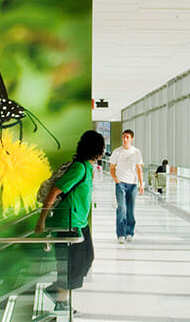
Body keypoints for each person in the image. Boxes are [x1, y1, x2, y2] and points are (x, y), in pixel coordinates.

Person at [35, 130, 106, 311]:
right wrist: (41, 220)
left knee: (87, 258)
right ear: (95, 150)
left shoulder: (87, 168)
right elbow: (54, 191)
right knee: (71, 264)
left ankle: (56, 292)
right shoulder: (79, 168)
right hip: (69, 223)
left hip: (80, 222)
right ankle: (61, 301)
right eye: (102, 147)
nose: (104, 150)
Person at [109, 129, 144, 243]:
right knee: (121, 208)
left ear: (131, 139)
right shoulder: (117, 152)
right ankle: (121, 234)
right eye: (123, 137)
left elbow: (139, 169)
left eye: (127, 137)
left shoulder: (136, 152)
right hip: (121, 184)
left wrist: (141, 184)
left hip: (133, 184)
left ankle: (130, 232)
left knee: (130, 209)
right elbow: (111, 168)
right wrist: (116, 180)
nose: (125, 139)